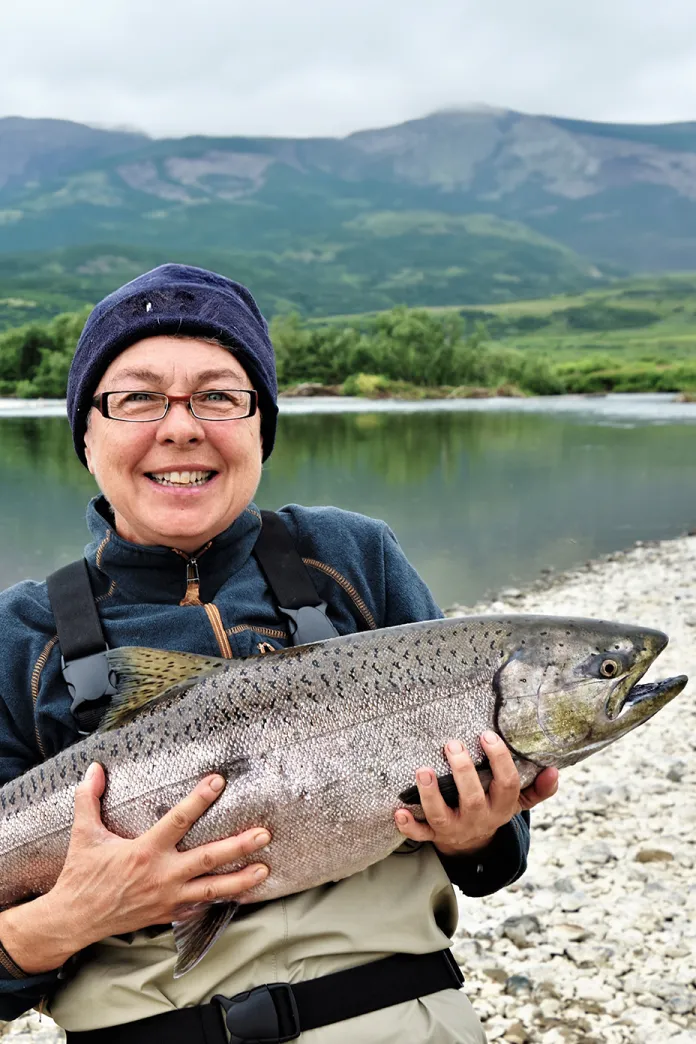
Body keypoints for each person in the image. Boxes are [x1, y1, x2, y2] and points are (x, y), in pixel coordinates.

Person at [0, 265, 558, 1043]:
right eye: (136, 397)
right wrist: (61, 920)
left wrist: (478, 832)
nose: (182, 427)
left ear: (261, 424)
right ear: (84, 434)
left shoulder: (353, 557)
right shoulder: (19, 634)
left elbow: (495, 862)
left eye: (220, 395)